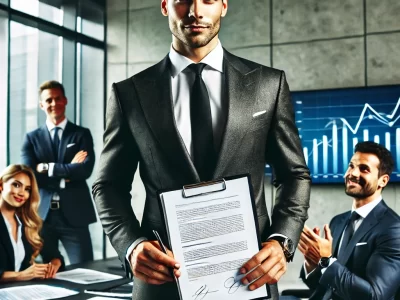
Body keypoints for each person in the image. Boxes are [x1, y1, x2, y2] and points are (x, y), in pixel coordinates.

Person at [93, 0, 311, 299]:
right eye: (182, 0)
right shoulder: (129, 93)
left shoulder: (268, 84)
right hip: (163, 280)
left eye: (207, 0)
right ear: (165, 5)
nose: (195, 10)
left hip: (249, 275)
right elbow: (108, 185)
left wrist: (281, 240)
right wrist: (131, 245)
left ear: (223, 5)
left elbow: (294, 174)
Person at [298, 141, 400, 299]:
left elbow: (375, 296)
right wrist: (313, 264)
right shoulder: (337, 222)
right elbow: (325, 288)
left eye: (364, 169)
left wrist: (326, 261)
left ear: (383, 181)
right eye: (351, 166)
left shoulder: (393, 229)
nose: (353, 173)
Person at [21, 80, 96, 264]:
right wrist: (68, 172)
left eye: (58, 98)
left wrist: (47, 167)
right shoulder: (31, 138)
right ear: (41, 105)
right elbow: (31, 176)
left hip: (75, 215)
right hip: (42, 217)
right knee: (49, 272)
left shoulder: (81, 134)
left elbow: (85, 170)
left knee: (86, 267)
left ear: (65, 100)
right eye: (48, 100)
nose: (54, 103)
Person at [0, 164, 65, 282]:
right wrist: (20, 275)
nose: (21, 193)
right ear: (1, 185)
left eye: (27, 189)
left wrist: (53, 265)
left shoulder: (29, 223)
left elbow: (54, 256)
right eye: (16, 185)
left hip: (23, 292)